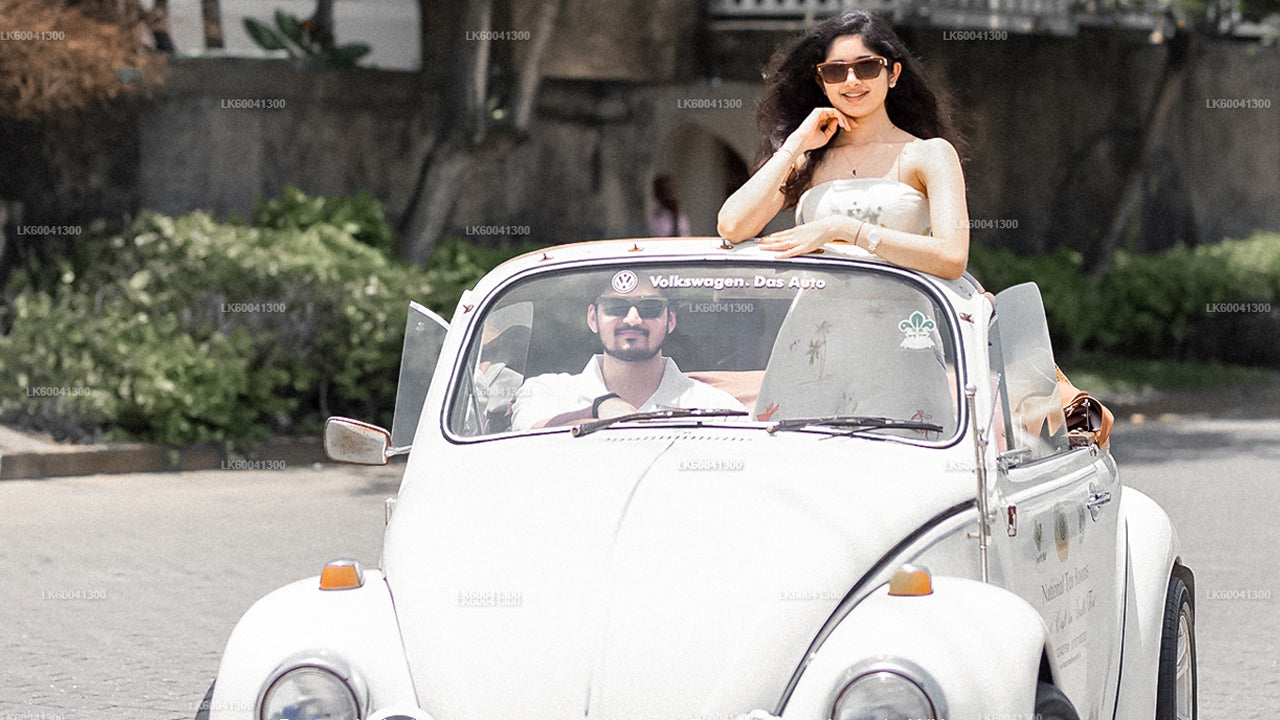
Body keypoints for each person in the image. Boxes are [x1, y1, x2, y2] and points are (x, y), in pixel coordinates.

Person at [716, 11, 970, 280]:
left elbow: (951, 258)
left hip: (902, 319)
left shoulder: (930, 154)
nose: (851, 80)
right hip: (812, 319)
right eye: (835, 71)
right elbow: (732, 226)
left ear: (893, 73)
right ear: (822, 83)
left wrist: (844, 229)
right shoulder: (808, 160)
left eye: (867, 66)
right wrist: (796, 143)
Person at [510, 274, 744, 430]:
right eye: (616, 307)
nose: (633, 319)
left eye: (650, 308)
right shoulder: (549, 391)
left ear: (670, 320)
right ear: (593, 319)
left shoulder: (716, 407)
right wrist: (597, 409)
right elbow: (529, 433)